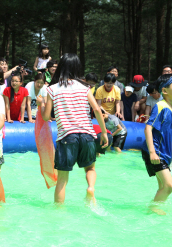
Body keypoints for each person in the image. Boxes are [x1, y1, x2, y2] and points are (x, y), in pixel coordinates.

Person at [40, 53, 108, 204]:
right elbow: (97, 110)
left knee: (62, 181)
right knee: (90, 168)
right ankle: (90, 188)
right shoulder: (85, 88)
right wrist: (103, 132)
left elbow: (46, 117)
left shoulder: (52, 89)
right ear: (77, 68)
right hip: (87, 135)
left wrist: (41, 104)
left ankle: (58, 213)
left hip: (66, 136)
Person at [142, 75, 172, 215]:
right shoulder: (160, 106)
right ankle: (152, 209)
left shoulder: (171, 110)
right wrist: (152, 152)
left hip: (164, 152)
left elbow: (167, 137)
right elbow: (148, 128)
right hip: (155, 151)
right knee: (169, 186)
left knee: (162, 186)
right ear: (165, 90)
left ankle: (155, 208)